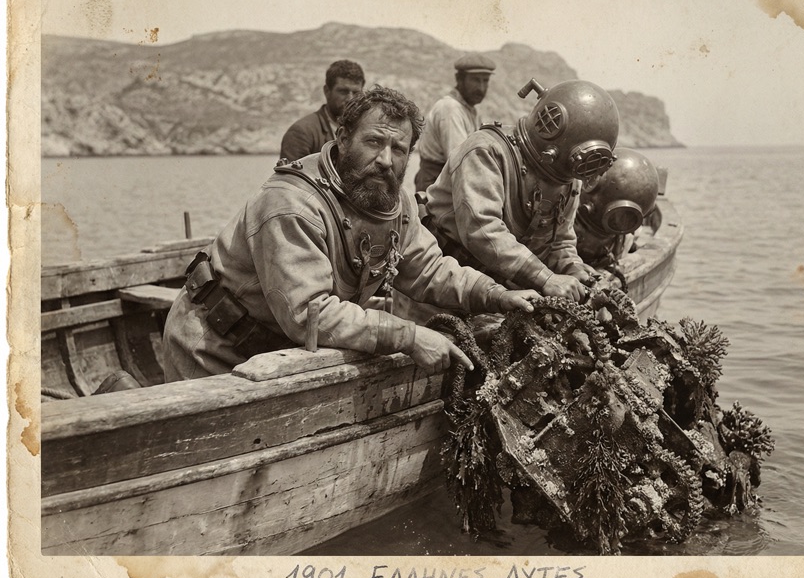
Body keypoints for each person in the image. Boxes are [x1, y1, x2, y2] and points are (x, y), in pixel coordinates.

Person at [163, 85, 539, 382]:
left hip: (278, 348)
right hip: (214, 345)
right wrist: (408, 337)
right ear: (343, 138)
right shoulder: (291, 203)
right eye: (374, 142)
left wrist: (498, 295)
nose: (385, 159)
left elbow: (430, 270)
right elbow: (311, 314)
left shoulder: (397, 204)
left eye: (398, 149)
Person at [419, 77, 621, 304]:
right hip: (440, 289)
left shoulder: (567, 176)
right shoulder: (486, 151)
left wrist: (575, 270)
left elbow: (560, 241)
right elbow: (483, 232)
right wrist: (546, 279)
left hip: (502, 295)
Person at [412, 53, 495, 192]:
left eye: (485, 81)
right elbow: (461, 161)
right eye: (475, 80)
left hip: (453, 182)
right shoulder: (450, 108)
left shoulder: (471, 110)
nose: (481, 88)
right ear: (459, 79)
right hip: (436, 188)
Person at [278, 59, 365, 166]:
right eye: (343, 91)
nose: (350, 98)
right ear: (327, 91)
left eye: (356, 93)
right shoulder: (301, 133)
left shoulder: (364, 129)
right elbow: (290, 180)